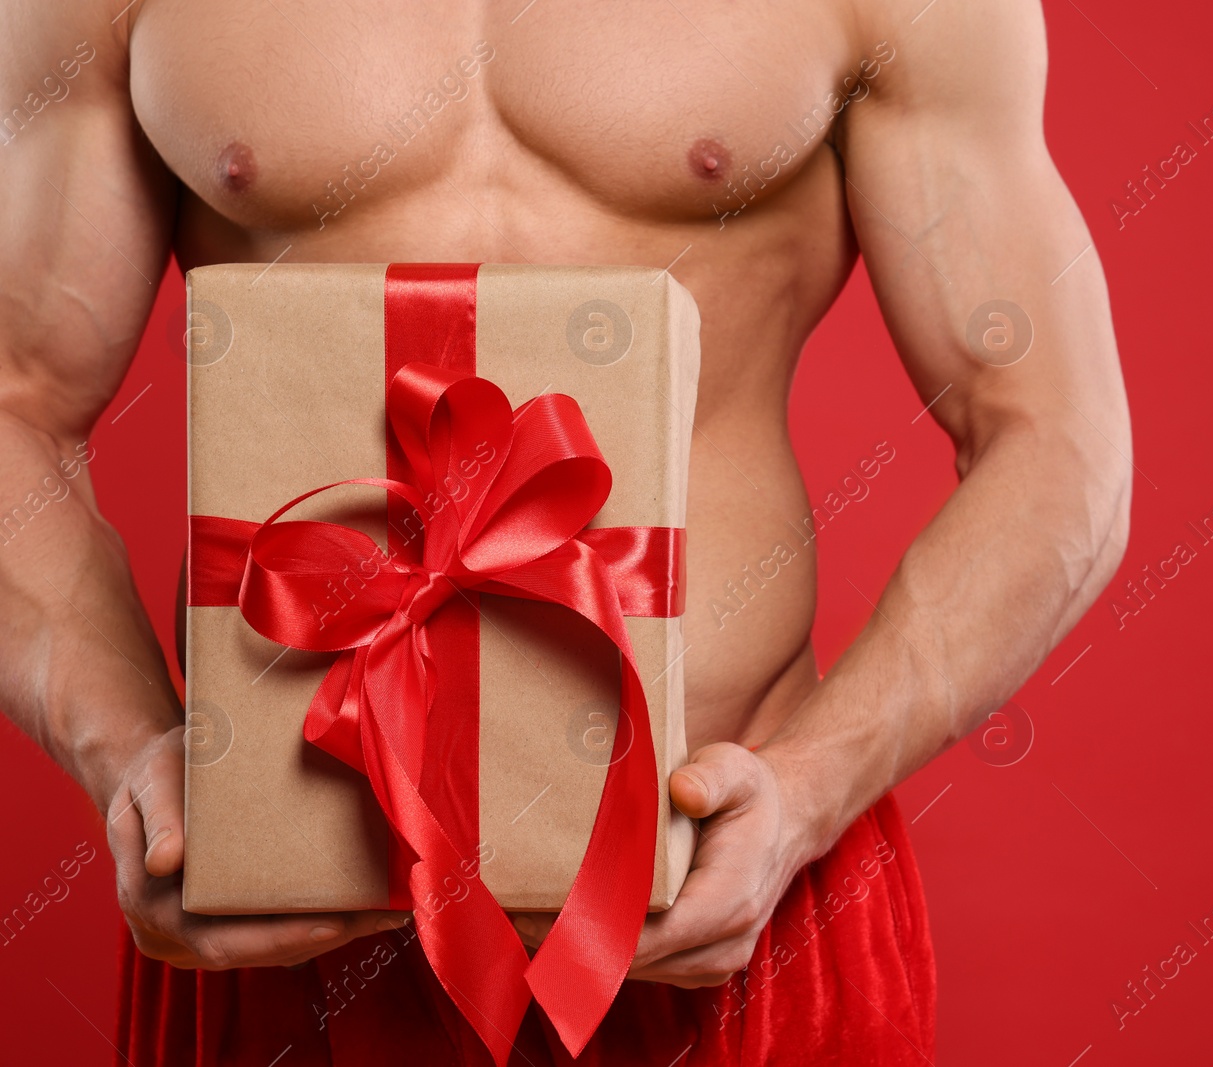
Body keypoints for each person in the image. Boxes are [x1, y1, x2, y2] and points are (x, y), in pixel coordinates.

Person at [0, 0, 1131, 1061]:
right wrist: (131, 761)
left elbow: (1050, 434)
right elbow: (15, 407)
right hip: (273, 906)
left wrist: (805, 794)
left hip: (732, 889)